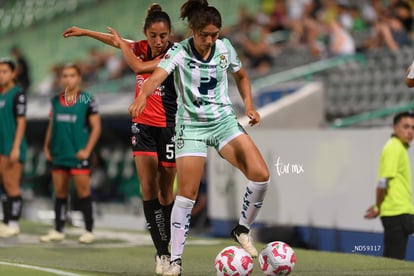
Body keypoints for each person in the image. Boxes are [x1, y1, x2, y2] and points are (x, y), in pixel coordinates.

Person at [129, 0, 270, 274]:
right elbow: (155, 77)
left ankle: (242, 229)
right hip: (191, 127)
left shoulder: (225, 48)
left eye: (214, 34)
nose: (209, 40)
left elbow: (241, 76)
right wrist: (143, 97)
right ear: (193, 30)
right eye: (204, 34)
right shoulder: (179, 52)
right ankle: (176, 261)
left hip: (223, 123)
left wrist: (249, 105)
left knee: (261, 174)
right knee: (186, 195)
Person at [62, 4, 177, 274]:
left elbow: (134, 61)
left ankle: (171, 245)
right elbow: (115, 41)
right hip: (143, 125)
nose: (158, 41)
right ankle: (162, 252)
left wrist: (124, 46)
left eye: (163, 35)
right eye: (153, 35)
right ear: (146, 34)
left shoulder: (176, 52)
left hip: (170, 126)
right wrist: (84, 32)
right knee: (148, 189)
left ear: (169, 34)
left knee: (166, 192)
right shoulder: (138, 46)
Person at [40, 63, 101, 244]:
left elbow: (96, 127)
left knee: (83, 193)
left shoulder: (86, 99)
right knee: (60, 193)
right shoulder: (55, 100)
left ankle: (88, 230)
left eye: (72, 75)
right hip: (60, 153)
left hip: (78, 155)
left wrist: (88, 150)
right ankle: (58, 229)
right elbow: (52, 125)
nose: (68, 79)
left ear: (79, 78)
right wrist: (46, 146)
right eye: (65, 76)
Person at [364, 111, 414, 260]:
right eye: (406, 126)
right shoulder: (394, 148)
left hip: (400, 212)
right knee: (393, 261)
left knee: (392, 259)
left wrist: (377, 206)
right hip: (397, 214)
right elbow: (382, 183)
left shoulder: (398, 147)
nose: (410, 131)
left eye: (413, 127)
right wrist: (378, 207)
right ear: (395, 128)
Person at [0, 58, 27, 238]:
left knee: (11, 185)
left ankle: (14, 223)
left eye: (4, 72)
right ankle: (6, 220)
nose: (1, 75)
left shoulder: (18, 94)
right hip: (1, 146)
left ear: (12, 73)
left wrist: (16, 147)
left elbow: (21, 122)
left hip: (11, 147)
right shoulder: (1, 94)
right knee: (4, 184)